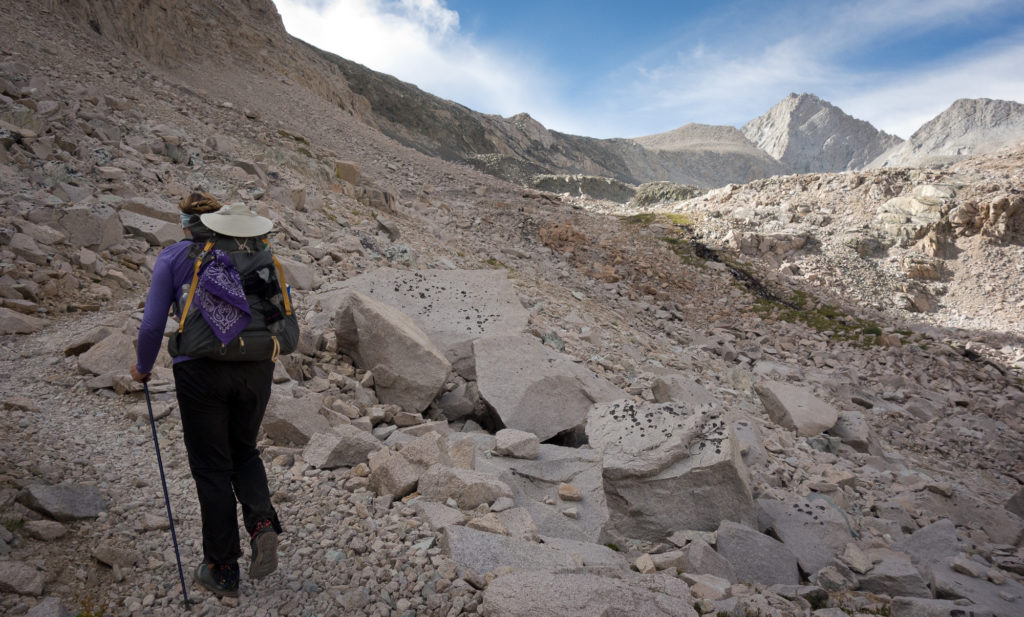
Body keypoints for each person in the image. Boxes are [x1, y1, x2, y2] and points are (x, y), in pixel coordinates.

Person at [130, 193, 282, 598]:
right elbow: (273, 316)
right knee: (245, 451)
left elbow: (150, 327)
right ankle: (262, 524)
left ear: (185, 222)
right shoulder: (256, 255)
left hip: (199, 371)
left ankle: (223, 569)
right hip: (255, 367)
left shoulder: (175, 257)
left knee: (212, 467)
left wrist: (143, 367)